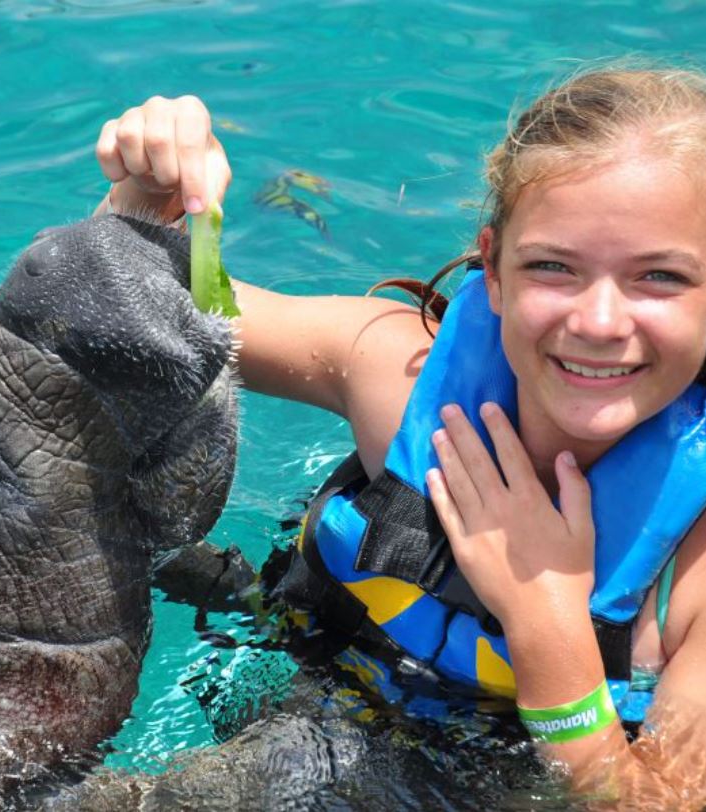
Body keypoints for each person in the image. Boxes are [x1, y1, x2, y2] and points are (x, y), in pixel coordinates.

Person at [93, 71, 706, 806]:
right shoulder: (395, 376)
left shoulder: (692, 571)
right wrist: (143, 210)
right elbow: (139, 321)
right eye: (552, 266)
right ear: (495, 271)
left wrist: (546, 622)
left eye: (660, 277)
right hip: (292, 689)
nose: (598, 323)